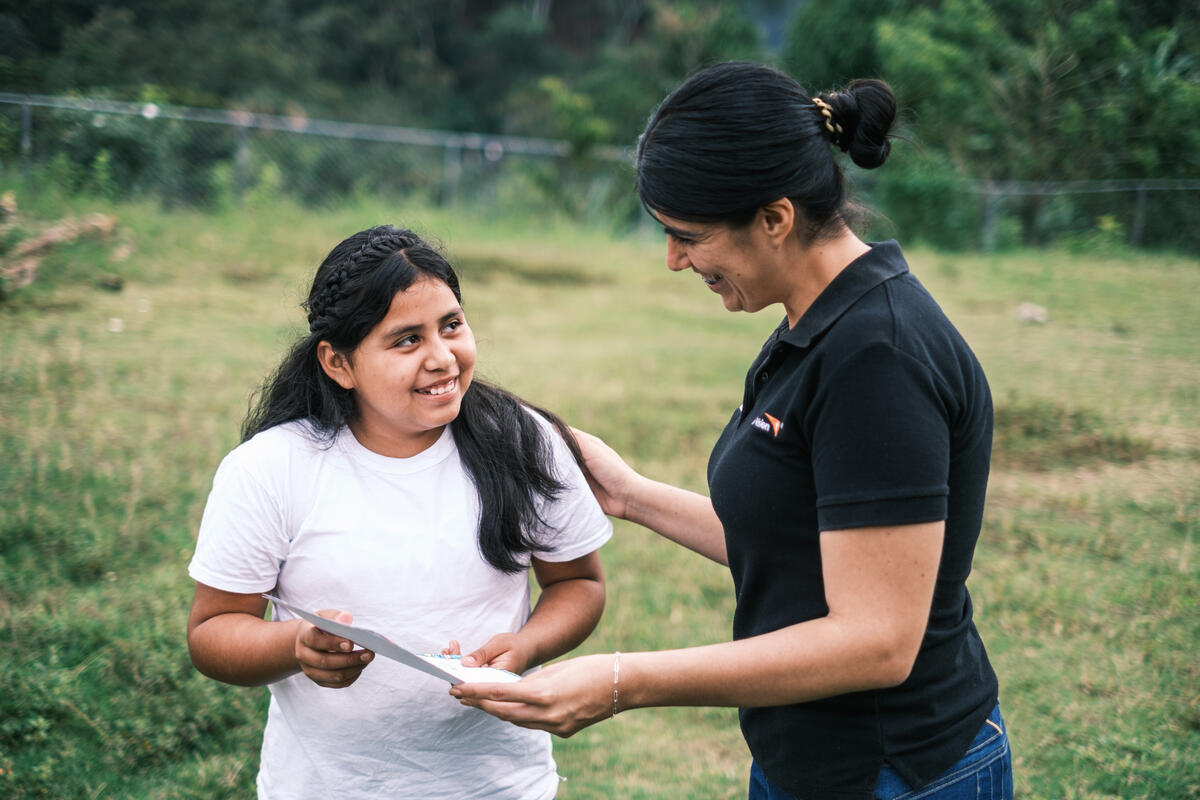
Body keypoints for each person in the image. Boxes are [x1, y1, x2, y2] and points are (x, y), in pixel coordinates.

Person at [451, 61, 1012, 800]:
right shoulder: (815, 325)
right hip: (808, 756)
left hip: (894, 771)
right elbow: (801, 542)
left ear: (775, 219)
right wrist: (628, 494)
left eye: (688, 236)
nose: (675, 260)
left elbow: (877, 641)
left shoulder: (878, 356)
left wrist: (624, 681)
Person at [186, 224, 612, 799]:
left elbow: (579, 582)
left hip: (497, 786)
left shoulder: (522, 441)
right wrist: (294, 646)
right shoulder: (270, 469)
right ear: (338, 364)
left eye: (452, 325)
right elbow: (213, 632)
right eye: (406, 340)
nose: (442, 357)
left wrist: (527, 646)